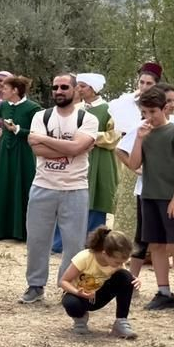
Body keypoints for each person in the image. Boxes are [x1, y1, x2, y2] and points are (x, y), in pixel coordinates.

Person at [19, 75, 97, 305]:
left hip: (75, 188)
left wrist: (46, 141)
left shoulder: (87, 118)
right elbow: (37, 149)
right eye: (55, 87)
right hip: (43, 186)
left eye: (64, 87)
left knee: (74, 242)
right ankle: (35, 286)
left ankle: (68, 287)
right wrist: (70, 148)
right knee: (37, 240)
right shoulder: (40, 116)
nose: (59, 91)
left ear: (75, 90)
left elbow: (76, 147)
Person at [123, 84, 174, 313]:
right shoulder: (144, 132)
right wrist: (139, 139)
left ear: (164, 109)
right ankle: (164, 292)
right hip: (149, 195)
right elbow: (133, 164)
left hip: (171, 196)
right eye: (145, 112)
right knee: (156, 245)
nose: (149, 117)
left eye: (153, 112)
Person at [0, 75, 40, 241]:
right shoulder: (2, 107)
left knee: (22, 186)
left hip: (23, 155)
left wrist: (17, 129)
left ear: (15, 90)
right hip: (4, 155)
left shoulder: (33, 109)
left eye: (6, 88)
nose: (1, 91)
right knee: (3, 185)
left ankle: (21, 231)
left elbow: (37, 133)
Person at [57, 227, 138, 338]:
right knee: (71, 303)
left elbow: (124, 276)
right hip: (80, 296)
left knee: (126, 276)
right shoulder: (84, 257)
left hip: (98, 296)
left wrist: (133, 280)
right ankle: (80, 318)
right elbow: (63, 281)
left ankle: (121, 321)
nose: (120, 264)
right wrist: (77, 292)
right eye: (117, 262)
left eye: (122, 262)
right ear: (105, 254)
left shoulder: (116, 263)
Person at [75, 74, 119, 234]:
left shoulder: (108, 109)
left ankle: (93, 237)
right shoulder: (77, 109)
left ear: (93, 89)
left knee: (97, 196)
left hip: (101, 158)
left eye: (82, 86)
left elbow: (114, 136)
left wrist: (91, 136)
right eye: (78, 85)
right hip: (79, 156)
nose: (78, 89)